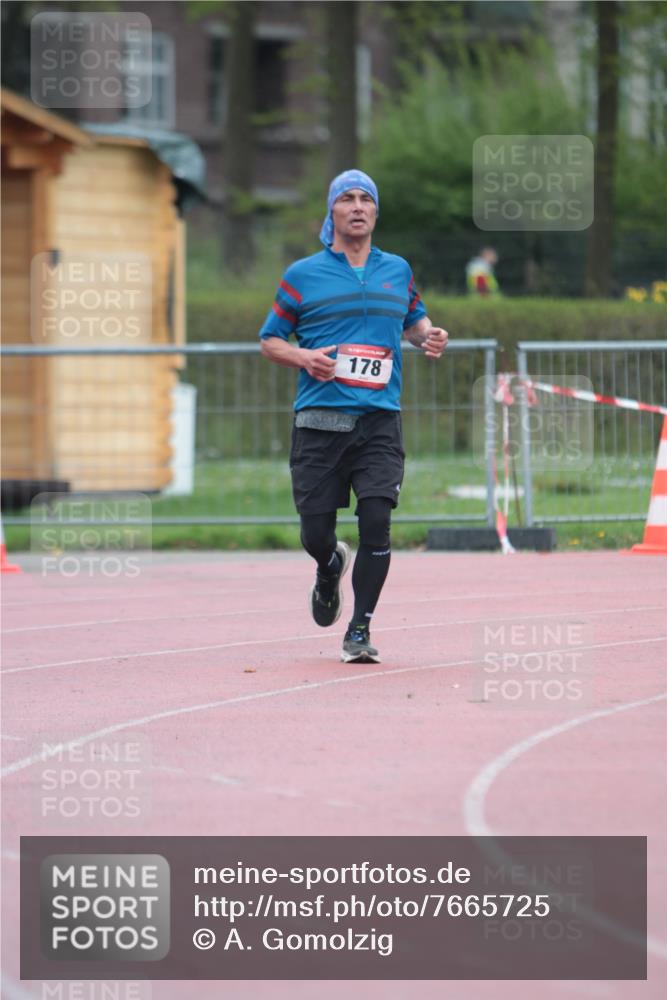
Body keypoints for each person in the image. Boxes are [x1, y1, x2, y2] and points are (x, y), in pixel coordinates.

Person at [259, 169, 448, 664]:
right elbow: (270, 340)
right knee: (315, 532)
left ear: (376, 212)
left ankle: (360, 629)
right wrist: (304, 358)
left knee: (378, 521)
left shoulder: (398, 270)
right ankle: (328, 565)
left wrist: (428, 335)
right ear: (333, 212)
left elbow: (412, 320)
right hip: (320, 421)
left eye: (367, 198)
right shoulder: (303, 275)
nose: (358, 206)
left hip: (379, 420)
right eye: (348, 199)